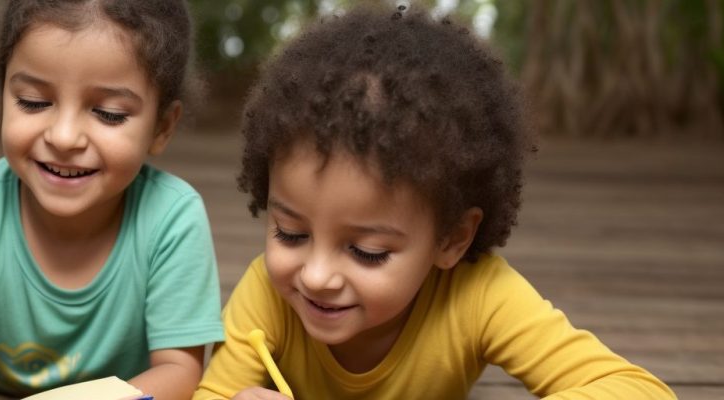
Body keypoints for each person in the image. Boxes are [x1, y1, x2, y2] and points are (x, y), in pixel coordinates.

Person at [194, 4, 676, 400]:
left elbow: (638, 390)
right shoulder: (270, 295)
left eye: (367, 251)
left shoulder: (479, 297)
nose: (315, 276)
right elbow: (212, 395)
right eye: (291, 234)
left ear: (452, 238)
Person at [0, 1, 224, 399]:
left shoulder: (172, 219)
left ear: (162, 127)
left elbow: (180, 372)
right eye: (33, 102)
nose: (63, 137)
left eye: (109, 113)